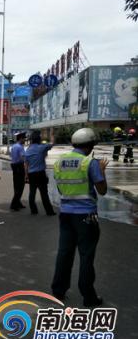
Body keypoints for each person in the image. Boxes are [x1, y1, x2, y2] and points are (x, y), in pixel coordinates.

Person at [51, 128, 108, 307]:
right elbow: (102, 190)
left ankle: (58, 290)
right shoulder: (88, 163)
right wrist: (102, 170)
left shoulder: (59, 163)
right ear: (90, 145)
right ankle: (88, 296)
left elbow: (61, 189)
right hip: (86, 217)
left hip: (66, 214)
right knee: (86, 255)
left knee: (64, 253)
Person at [25, 130, 56, 216]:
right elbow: (52, 143)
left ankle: (33, 210)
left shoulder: (28, 150)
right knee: (44, 193)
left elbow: (26, 165)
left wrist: (26, 176)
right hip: (40, 174)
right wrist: (52, 135)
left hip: (31, 174)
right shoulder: (42, 147)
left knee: (32, 192)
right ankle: (49, 211)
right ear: (39, 140)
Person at [10, 132, 27, 211]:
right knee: (20, 186)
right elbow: (23, 157)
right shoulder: (20, 147)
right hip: (19, 166)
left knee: (16, 185)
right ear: (20, 138)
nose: (25, 140)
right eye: (24, 138)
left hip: (14, 166)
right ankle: (14, 204)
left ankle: (18, 202)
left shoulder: (13, 146)